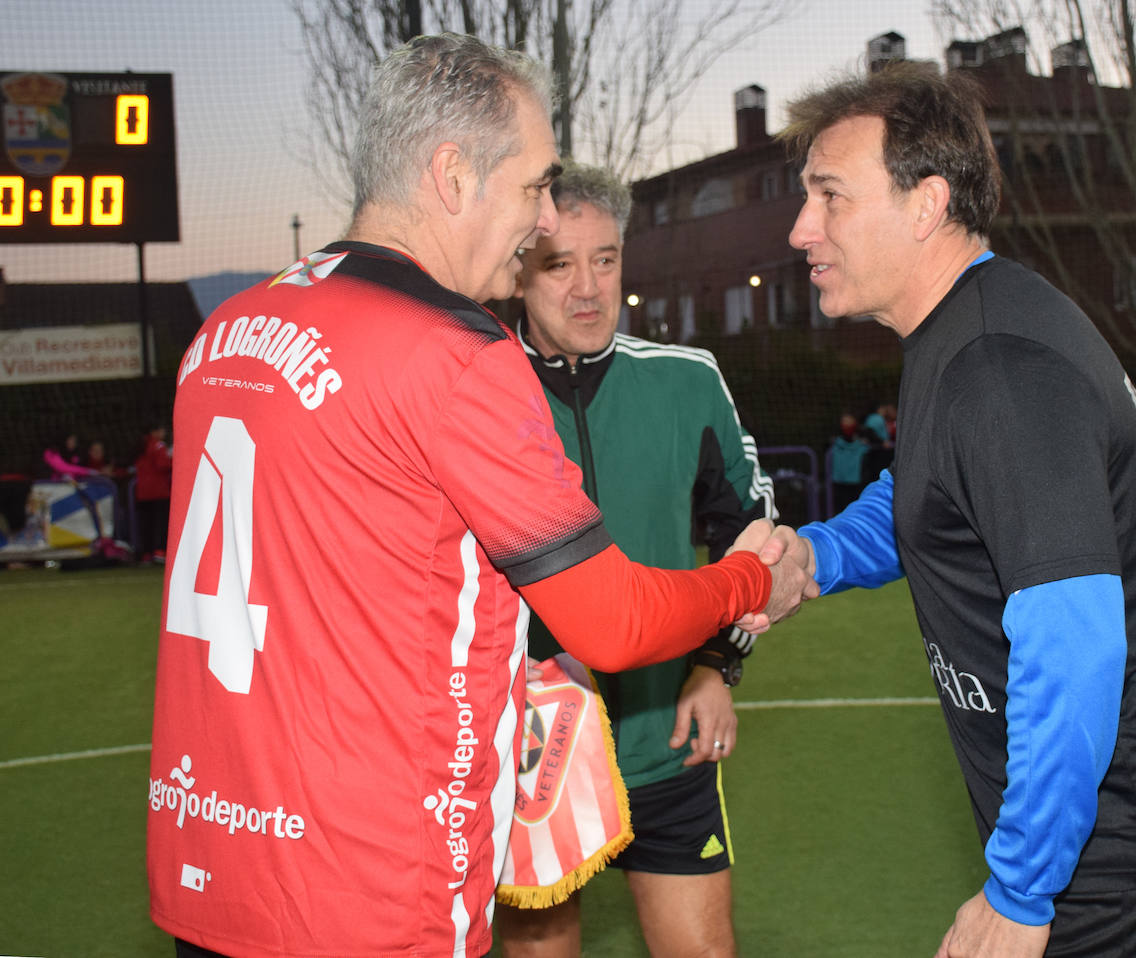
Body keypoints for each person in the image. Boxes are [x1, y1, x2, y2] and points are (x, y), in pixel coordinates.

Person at [145, 34, 813, 958]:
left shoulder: (229, 330)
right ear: (453, 174)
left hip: (215, 856)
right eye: (536, 184)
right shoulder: (453, 354)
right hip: (368, 886)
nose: (544, 219)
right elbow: (612, 620)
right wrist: (748, 584)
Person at [765, 63, 1136, 956]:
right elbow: (930, 491)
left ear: (925, 203)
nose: (803, 229)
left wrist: (1022, 890)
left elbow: (1074, 643)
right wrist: (820, 555)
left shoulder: (999, 368)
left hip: (1133, 846)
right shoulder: (959, 332)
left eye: (830, 196)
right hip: (1109, 836)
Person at [494, 162, 773, 958]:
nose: (588, 288)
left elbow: (748, 531)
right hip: (532, 754)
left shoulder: (687, 382)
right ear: (519, 270)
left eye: (606, 259)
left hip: (666, 736)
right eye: (559, 263)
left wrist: (719, 666)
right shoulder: (477, 392)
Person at [133, 424, 173, 561]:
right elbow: (163, 465)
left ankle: (146, 552)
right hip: (159, 491)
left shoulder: (140, 446)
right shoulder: (159, 446)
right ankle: (159, 551)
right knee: (160, 523)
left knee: (146, 524)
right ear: (155, 431)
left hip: (142, 492)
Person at [828, 412, 870, 514]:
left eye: (849, 422)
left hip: (855, 482)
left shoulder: (861, 442)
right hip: (840, 481)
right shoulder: (835, 442)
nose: (847, 425)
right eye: (845, 422)